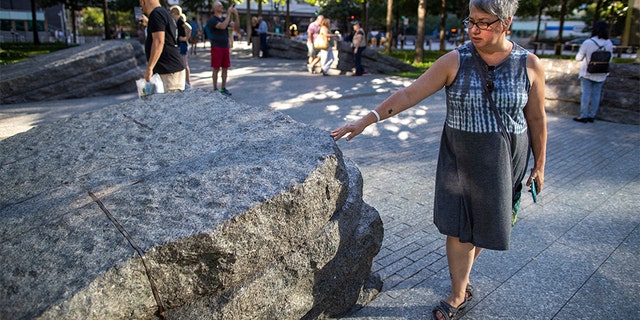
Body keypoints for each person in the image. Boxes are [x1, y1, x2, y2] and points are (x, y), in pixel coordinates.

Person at [330, 0, 547, 319]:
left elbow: (537, 120)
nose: (474, 29)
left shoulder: (528, 64)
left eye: (484, 22)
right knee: (460, 228)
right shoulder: (454, 61)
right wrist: (367, 119)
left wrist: (540, 166)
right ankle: (459, 292)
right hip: (461, 156)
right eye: (471, 21)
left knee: (487, 224)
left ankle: (464, 276)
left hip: (506, 157)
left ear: (506, 22)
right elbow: (408, 94)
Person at [140, 0, 185, 92]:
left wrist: (149, 68)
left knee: (170, 104)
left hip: (167, 71)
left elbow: (159, 41)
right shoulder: (163, 12)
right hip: (172, 68)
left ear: (143, 1)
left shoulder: (156, 14)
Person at [573, 20, 613, 123]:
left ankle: (583, 116)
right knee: (596, 95)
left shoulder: (588, 42)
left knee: (586, 94)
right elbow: (610, 58)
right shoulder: (609, 43)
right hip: (601, 73)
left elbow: (578, 58)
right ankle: (592, 115)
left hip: (587, 72)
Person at [206, 1, 238, 96]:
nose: (221, 7)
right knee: (216, 68)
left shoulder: (224, 18)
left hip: (225, 46)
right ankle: (215, 88)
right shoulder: (212, 20)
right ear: (214, 8)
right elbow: (223, 26)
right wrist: (229, 14)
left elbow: (235, 26)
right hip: (216, 46)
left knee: (225, 68)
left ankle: (223, 88)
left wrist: (236, 15)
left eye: (221, 5)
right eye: (219, 5)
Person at [170, 6, 192, 89]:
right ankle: (185, 82)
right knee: (183, 64)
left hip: (182, 43)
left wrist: (186, 38)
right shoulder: (178, 21)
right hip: (181, 43)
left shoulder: (180, 21)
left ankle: (187, 82)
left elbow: (189, 28)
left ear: (175, 13)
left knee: (184, 64)